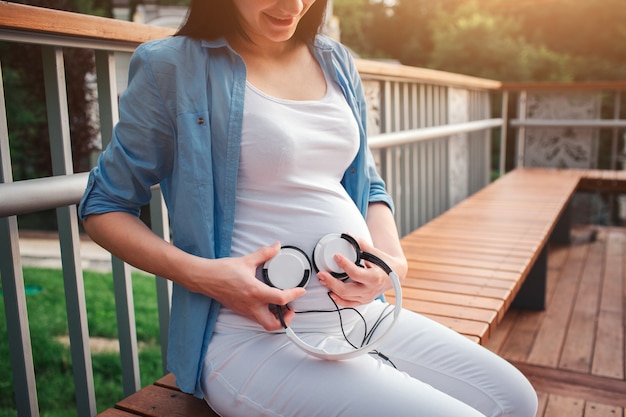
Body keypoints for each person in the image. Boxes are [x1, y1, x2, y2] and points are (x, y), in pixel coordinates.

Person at [79, 0, 538, 415]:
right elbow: (104, 206)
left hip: (363, 312)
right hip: (253, 336)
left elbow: (369, 185)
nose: (294, 5)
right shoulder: (173, 67)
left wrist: (391, 264)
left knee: (515, 400)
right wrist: (208, 276)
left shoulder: (334, 59)